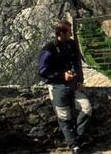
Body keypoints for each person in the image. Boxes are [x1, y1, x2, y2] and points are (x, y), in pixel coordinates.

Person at [38, 21, 92, 154]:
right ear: (61, 33)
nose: (71, 34)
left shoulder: (71, 44)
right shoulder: (48, 49)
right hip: (57, 86)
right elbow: (42, 71)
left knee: (87, 109)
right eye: (69, 31)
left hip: (73, 84)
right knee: (64, 117)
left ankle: (77, 138)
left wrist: (80, 80)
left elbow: (77, 63)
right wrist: (62, 75)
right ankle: (74, 146)